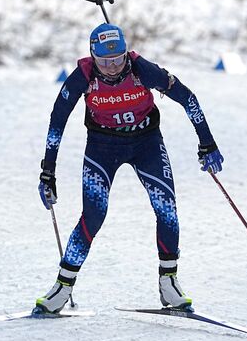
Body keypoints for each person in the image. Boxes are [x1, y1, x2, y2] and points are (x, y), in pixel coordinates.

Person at [35, 23, 224, 314]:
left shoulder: (142, 70)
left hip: (146, 143)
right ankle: (62, 286)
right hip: (102, 147)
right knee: (94, 215)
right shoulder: (83, 76)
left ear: (126, 53)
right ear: (92, 57)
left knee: (166, 208)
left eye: (117, 59)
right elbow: (57, 121)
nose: (111, 68)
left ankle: (168, 282)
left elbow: (188, 98)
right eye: (103, 61)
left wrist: (207, 143)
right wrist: (48, 171)